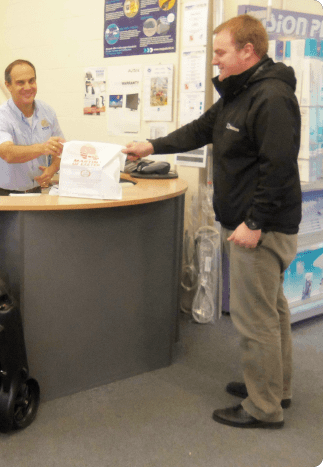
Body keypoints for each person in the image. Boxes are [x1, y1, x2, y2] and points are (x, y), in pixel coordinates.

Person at [123, 14, 301, 429]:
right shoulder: (239, 93)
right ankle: (276, 388)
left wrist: (254, 223)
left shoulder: (270, 97)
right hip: (252, 223)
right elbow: (202, 129)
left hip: (259, 229)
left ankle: (263, 407)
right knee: (273, 312)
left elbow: (277, 166)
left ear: (247, 51)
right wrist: (153, 144)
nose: (214, 61)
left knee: (255, 319)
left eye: (220, 53)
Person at [0, 59, 65, 195]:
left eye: (31, 81)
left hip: (36, 192)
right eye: (21, 83)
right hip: (4, 195)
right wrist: (42, 148)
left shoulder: (47, 112)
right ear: (8, 85)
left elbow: (63, 148)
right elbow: (8, 153)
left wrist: (51, 169)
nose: (28, 87)